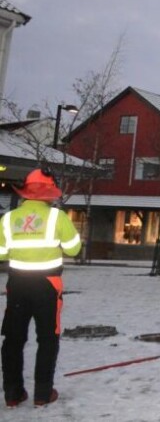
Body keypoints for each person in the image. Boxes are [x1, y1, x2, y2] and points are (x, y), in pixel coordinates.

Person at [0, 168, 81, 408]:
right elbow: (74, 249)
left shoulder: (8, 219)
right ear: (48, 194)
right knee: (47, 338)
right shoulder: (58, 218)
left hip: (17, 285)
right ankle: (42, 394)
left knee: (13, 339)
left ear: (25, 193)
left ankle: (13, 394)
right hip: (47, 285)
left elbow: (1, 253)